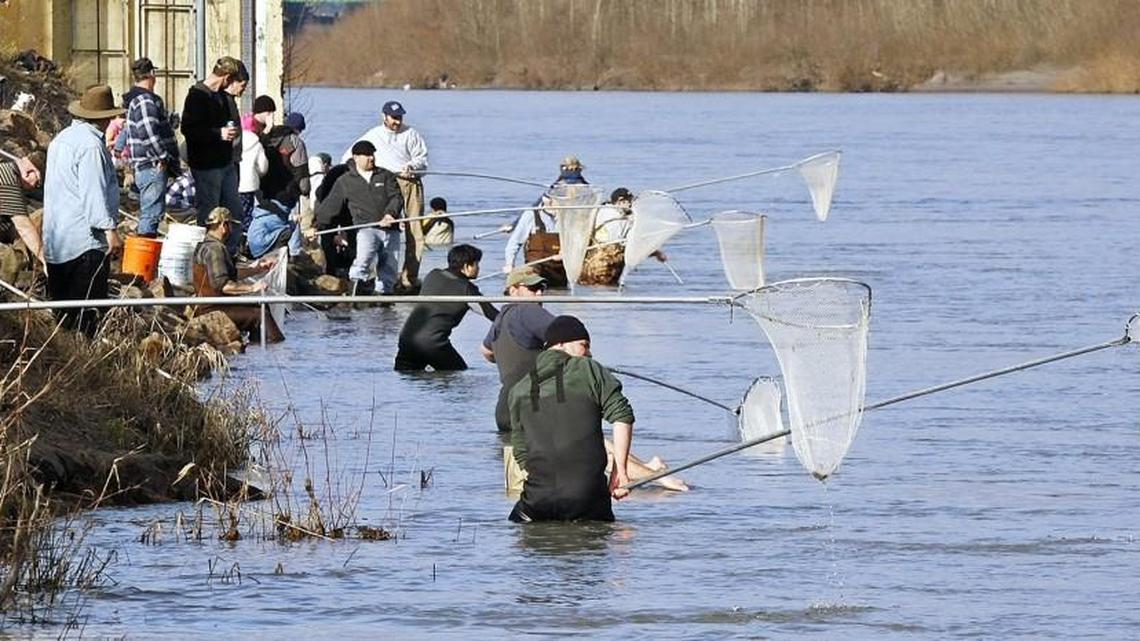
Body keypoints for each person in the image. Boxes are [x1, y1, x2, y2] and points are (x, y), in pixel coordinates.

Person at [507, 315, 630, 523]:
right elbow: (622, 416)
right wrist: (621, 473)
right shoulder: (589, 369)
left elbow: (520, 452)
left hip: (537, 501)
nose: (589, 353)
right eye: (584, 345)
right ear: (561, 343)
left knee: (517, 524)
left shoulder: (519, 389)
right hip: (588, 499)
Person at [42, 85, 124, 336]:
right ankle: (86, 359)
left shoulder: (61, 139)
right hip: (85, 244)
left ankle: (66, 359)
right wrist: (110, 230)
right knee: (87, 320)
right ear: (105, 118)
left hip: (57, 242)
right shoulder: (91, 146)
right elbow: (93, 193)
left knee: (64, 319)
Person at [342, 100, 428, 291]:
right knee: (382, 228)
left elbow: (422, 159)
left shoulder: (411, 134)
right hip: (384, 183)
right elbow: (348, 157)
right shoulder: (373, 135)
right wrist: (361, 175)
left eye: (400, 117)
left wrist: (412, 166)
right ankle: (375, 275)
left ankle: (409, 276)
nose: (397, 121)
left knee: (415, 230)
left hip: (410, 182)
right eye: (393, 118)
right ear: (384, 117)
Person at [313, 141, 402, 292]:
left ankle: (384, 297)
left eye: (372, 154)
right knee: (362, 261)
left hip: (390, 228)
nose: (371, 158)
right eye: (366, 155)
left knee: (389, 267)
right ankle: (355, 292)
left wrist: (390, 213)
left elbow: (396, 197)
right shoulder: (345, 181)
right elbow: (330, 207)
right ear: (356, 157)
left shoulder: (386, 175)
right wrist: (316, 226)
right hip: (365, 227)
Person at [395, 243, 497, 372]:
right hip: (433, 343)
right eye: (477, 264)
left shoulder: (433, 274)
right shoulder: (467, 289)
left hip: (407, 338)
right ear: (466, 266)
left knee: (406, 376)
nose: (478, 268)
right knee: (458, 373)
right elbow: (495, 316)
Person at [190, 206, 283, 343]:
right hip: (214, 309)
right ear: (224, 225)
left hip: (215, 305)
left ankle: (258, 346)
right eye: (231, 225)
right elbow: (223, 285)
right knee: (261, 315)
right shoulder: (215, 249)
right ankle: (277, 348)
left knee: (261, 306)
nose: (232, 230)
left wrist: (257, 269)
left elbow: (230, 274)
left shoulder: (206, 245)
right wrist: (252, 288)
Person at [480, 266, 555, 432]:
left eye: (541, 288)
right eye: (532, 289)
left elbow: (486, 351)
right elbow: (568, 332)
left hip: (505, 410)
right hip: (531, 410)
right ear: (513, 290)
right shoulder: (529, 310)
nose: (539, 294)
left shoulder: (502, 317)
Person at [181, 56, 245, 229]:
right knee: (210, 213)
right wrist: (219, 133)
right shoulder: (197, 96)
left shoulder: (222, 96)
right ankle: (208, 243)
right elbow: (188, 130)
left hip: (225, 163)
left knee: (235, 212)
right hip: (206, 166)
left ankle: (232, 244)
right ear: (226, 77)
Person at [501, 155, 590, 279]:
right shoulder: (533, 213)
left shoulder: (570, 214)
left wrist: (565, 252)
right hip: (536, 269)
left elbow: (577, 241)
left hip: (561, 269)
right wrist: (509, 264)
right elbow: (514, 243)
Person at [123, 57, 180, 238]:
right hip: (152, 166)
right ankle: (142, 253)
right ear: (152, 74)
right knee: (151, 216)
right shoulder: (145, 100)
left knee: (150, 214)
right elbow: (148, 134)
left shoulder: (137, 100)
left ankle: (143, 250)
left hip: (146, 165)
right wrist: (162, 157)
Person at [0, 152, 45, 284]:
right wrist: (45, 260)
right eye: (38, 183)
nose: (34, 188)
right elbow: (23, 227)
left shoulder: (6, 170)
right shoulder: (8, 180)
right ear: (30, 172)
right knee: (13, 258)